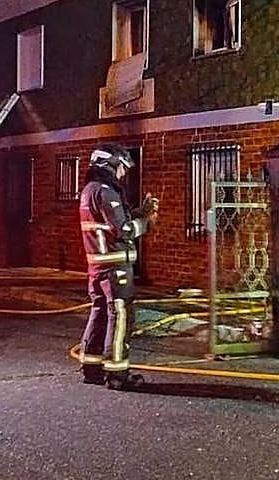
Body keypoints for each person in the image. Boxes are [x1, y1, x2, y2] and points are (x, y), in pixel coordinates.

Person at [78, 142, 159, 389]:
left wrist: (138, 212)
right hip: (114, 266)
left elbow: (112, 222)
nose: (123, 173)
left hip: (99, 266)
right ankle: (117, 373)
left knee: (100, 312)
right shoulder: (106, 191)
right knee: (121, 315)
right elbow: (122, 229)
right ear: (110, 164)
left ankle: (91, 367)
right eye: (122, 167)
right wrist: (145, 222)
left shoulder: (89, 190)